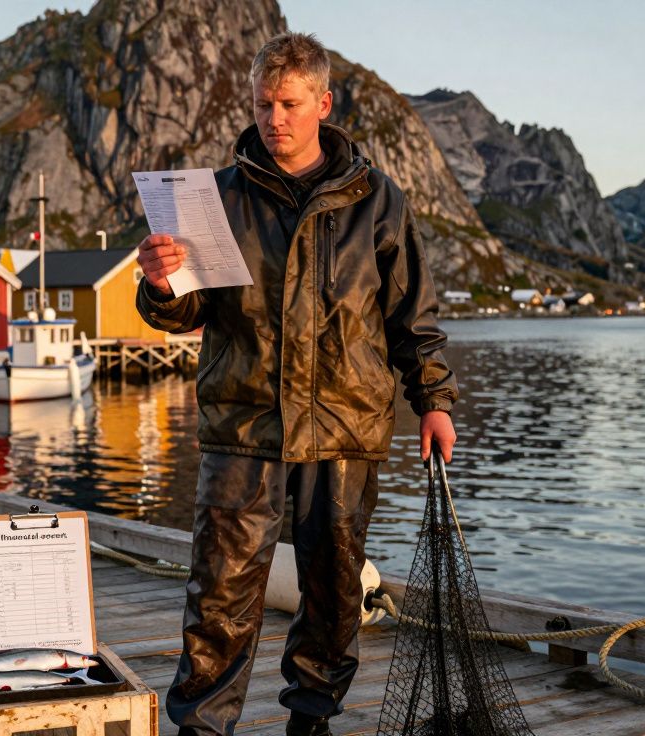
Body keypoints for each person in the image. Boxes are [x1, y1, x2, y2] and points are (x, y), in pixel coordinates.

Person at [134, 31, 458, 736]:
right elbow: (188, 311)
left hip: (345, 426)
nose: (273, 118)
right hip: (242, 426)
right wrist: (159, 283)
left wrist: (434, 401)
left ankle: (311, 718)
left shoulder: (378, 200)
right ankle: (202, 725)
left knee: (335, 586)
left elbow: (412, 315)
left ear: (323, 102)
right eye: (262, 104)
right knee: (218, 590)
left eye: (288, 103)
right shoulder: (213, 199)